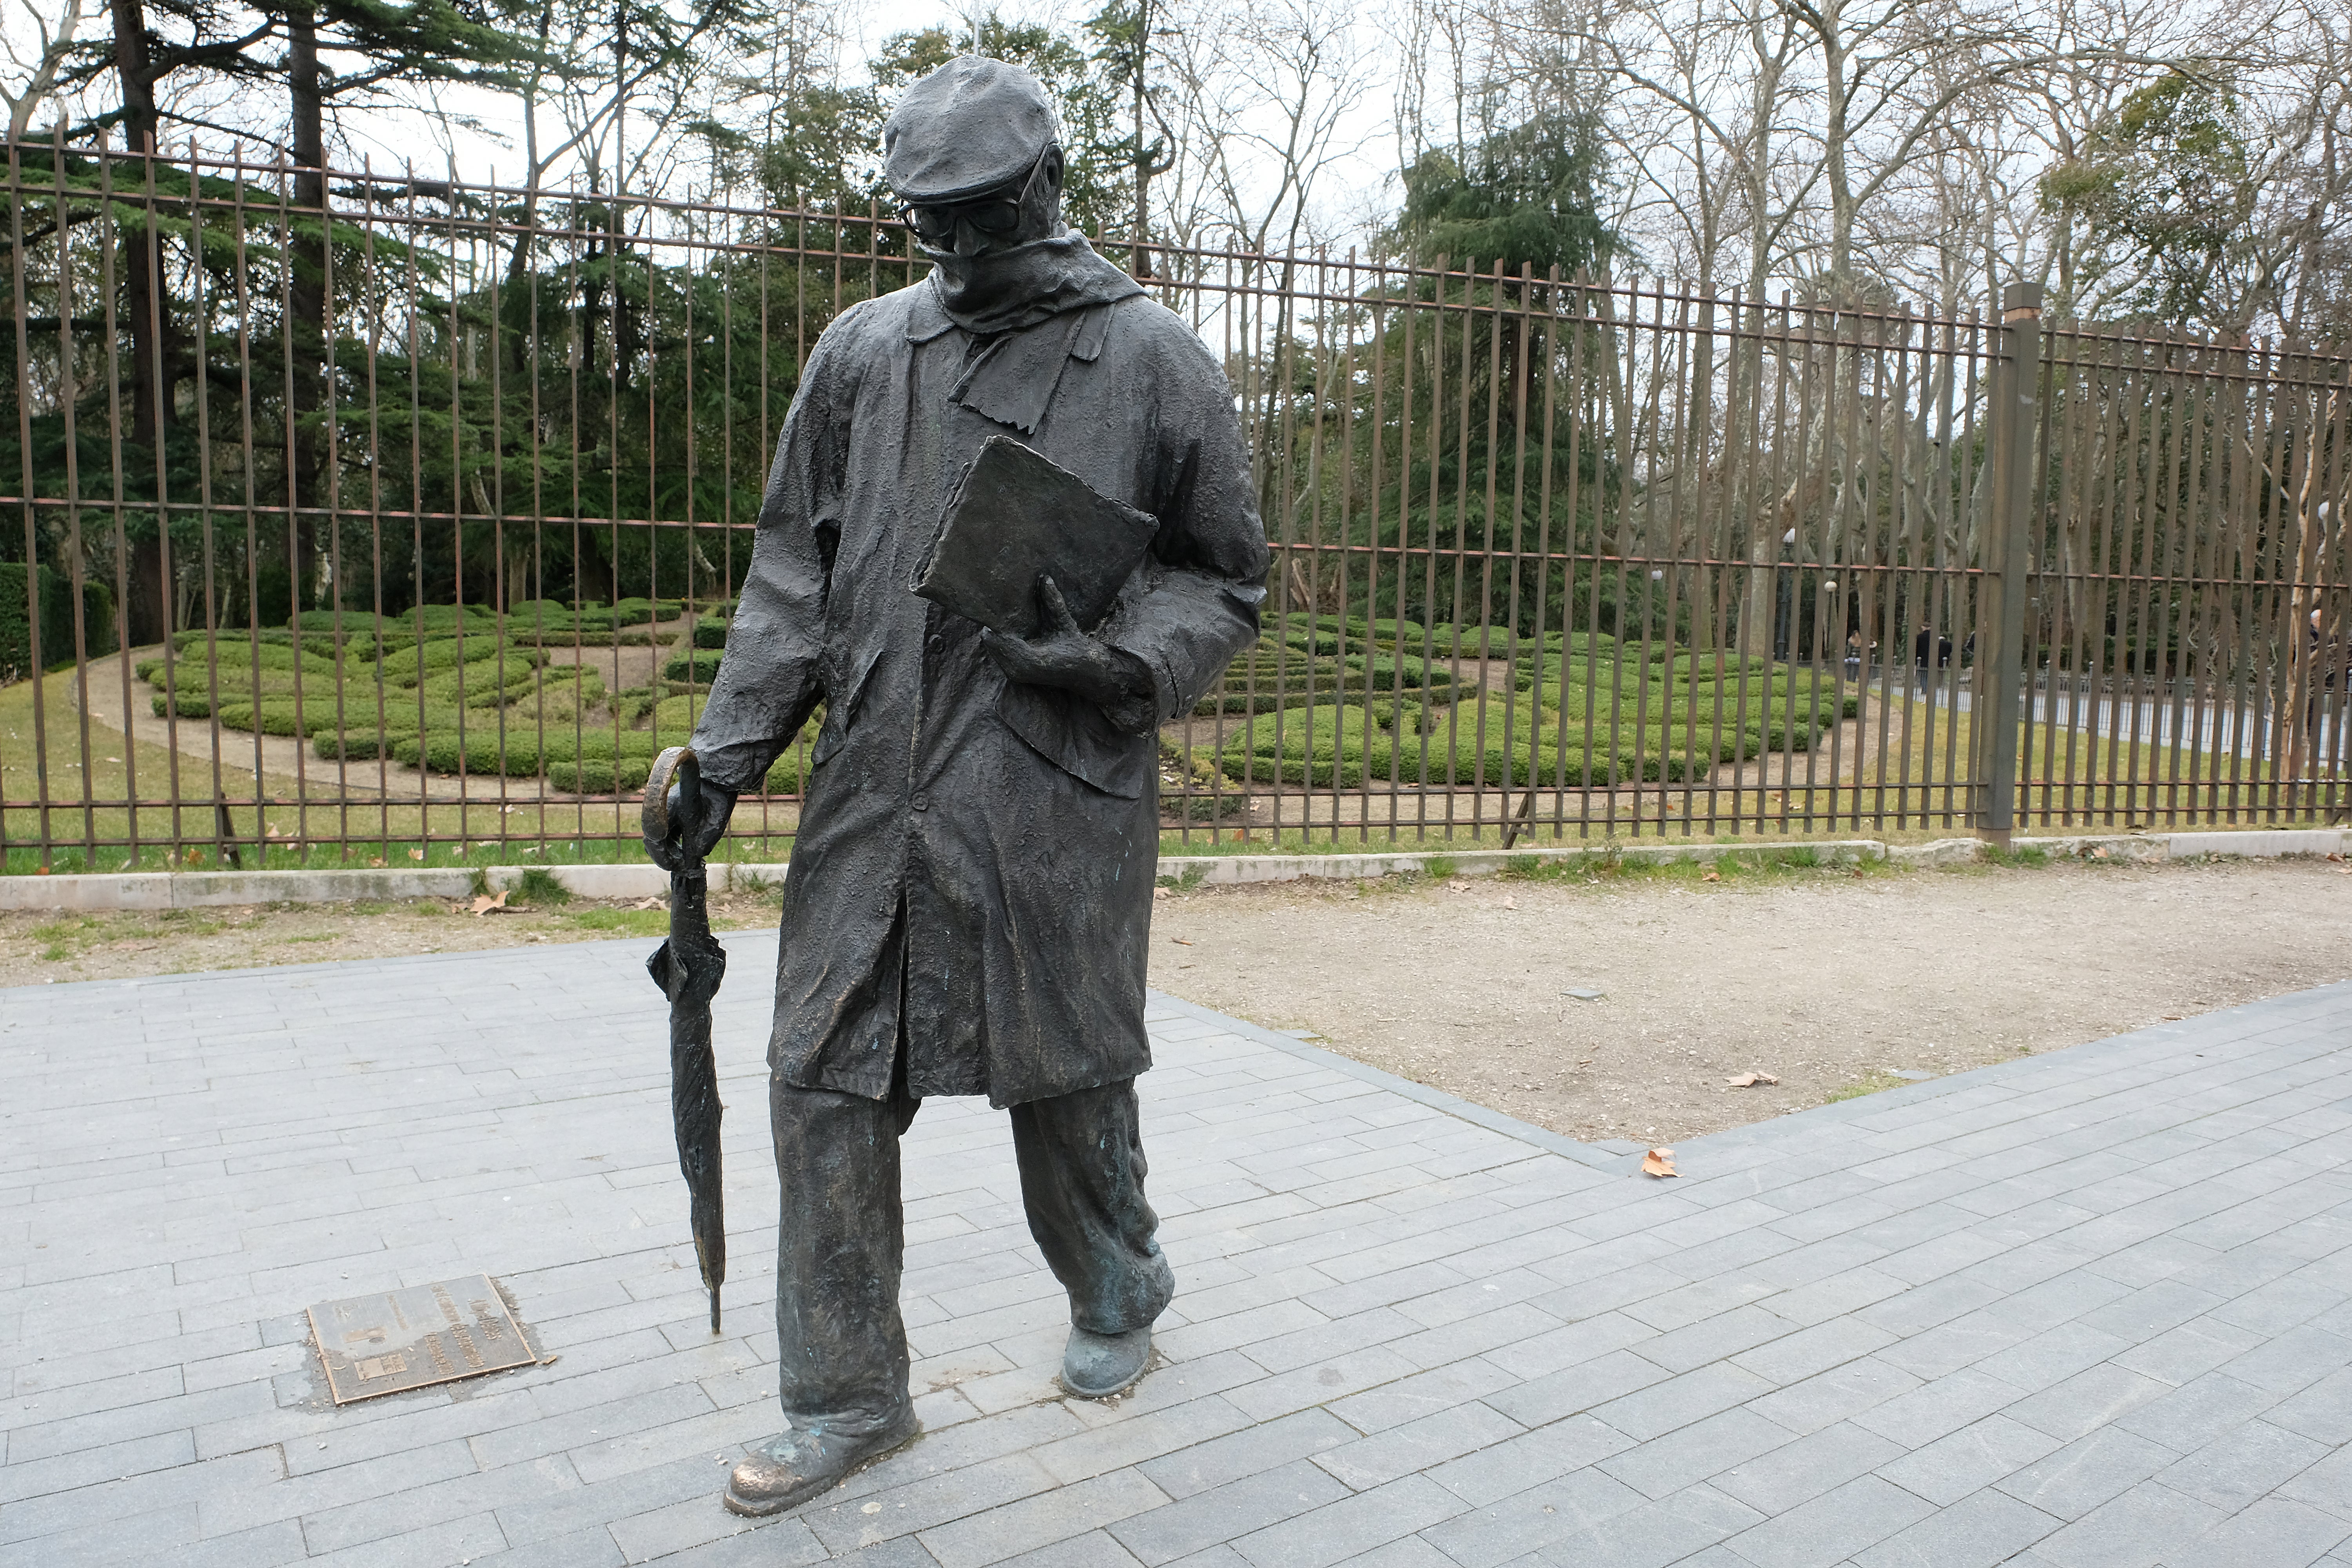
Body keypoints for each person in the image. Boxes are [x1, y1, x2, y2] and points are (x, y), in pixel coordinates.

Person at [644, 56, 1269, 1518]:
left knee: (1061, 1077)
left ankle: (1120, 1278)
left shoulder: (1154, 359)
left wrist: (1110, 656)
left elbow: (1226, 579)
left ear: (1042, 189)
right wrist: (730, 757)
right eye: (933, 223)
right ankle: (850, 1396)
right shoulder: (864, 354)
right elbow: (791, 576)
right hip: (874, 784)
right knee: (822, 1080)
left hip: (1052, 788)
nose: (958, 251)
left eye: (983, 216)